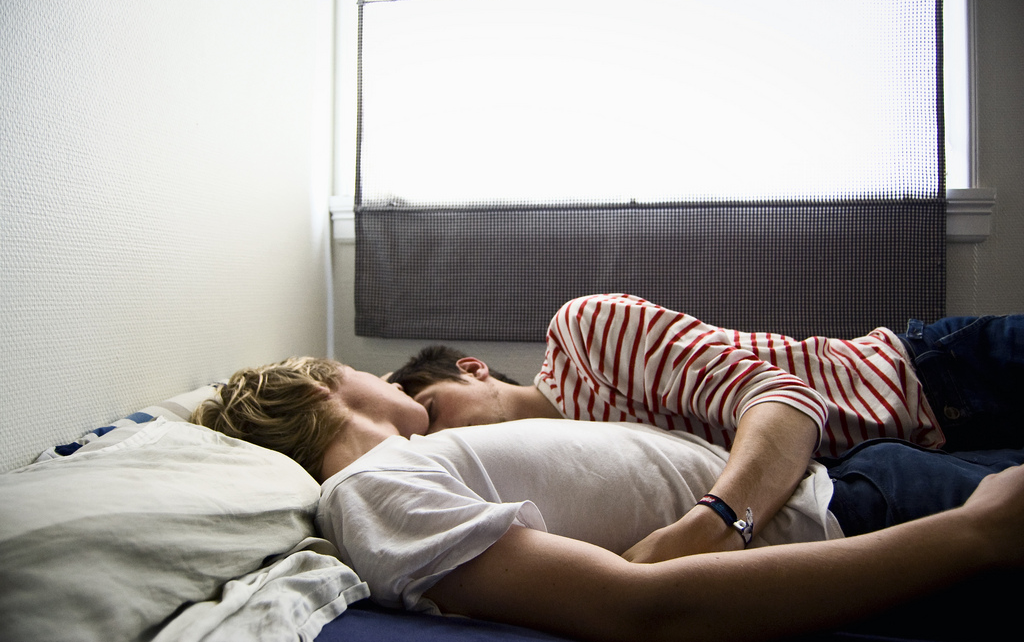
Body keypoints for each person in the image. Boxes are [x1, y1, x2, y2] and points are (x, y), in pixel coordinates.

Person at [193, 356, 1024, 642]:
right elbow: (637, 607)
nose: (391, 378)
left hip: (857, 479)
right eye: (365, 370)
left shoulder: (408, 465)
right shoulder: (370, 489)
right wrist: (975, 534)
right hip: (856, 516)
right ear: (323, 383)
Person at [386, 293, 1024, 561]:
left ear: (473, 370)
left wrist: (708, 527)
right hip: (901, 472)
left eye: (434, 411)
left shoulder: (582, 335)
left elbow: (784, 396)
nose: (440, 439)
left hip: (933, 378)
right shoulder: (563, 475)